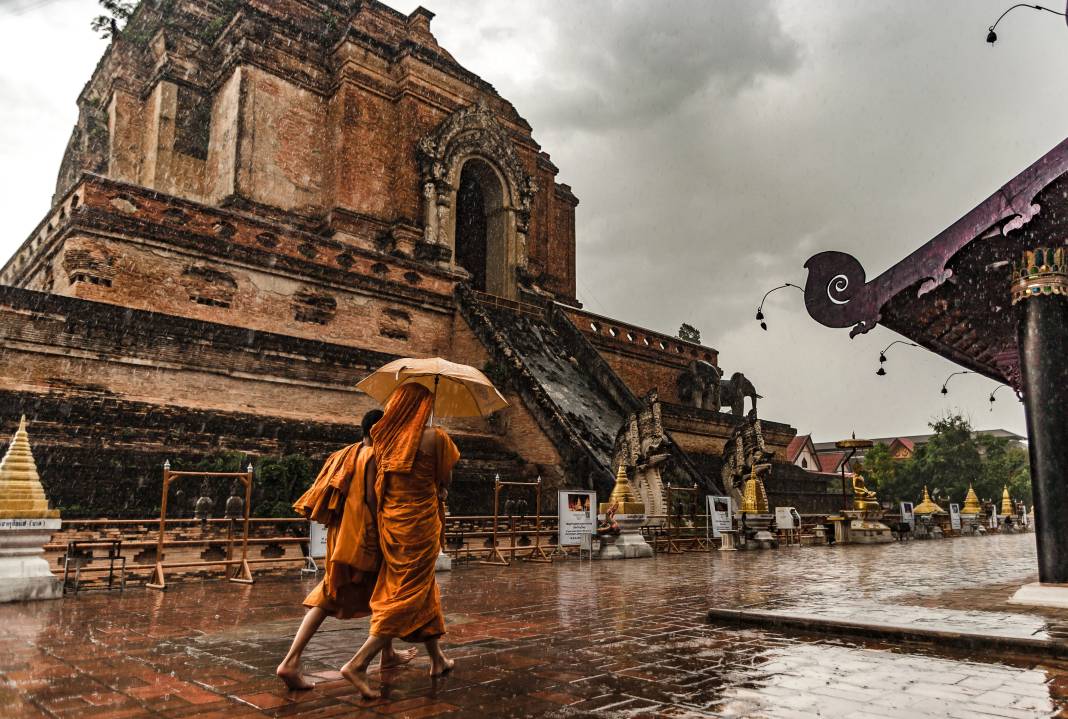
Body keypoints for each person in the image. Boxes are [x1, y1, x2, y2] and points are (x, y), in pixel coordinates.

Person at [276, 409, 415, 690]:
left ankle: (387, 654)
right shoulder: (374, 456)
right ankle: (290, 661)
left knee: (374, 593)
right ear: (380, 431)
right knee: (335, 596)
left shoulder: (346, 453)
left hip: (341, 534)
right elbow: (372, 500)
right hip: (365, 536)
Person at [340, 383, 460, 699]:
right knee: (408, 594)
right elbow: (445, 480)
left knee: (421, 588)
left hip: (392, 525)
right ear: (422, 408)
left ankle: (438, 659)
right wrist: (439, 488)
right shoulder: (437, 438)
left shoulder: (387, 441)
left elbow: (376, 486)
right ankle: (358, 662)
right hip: (420, 526)